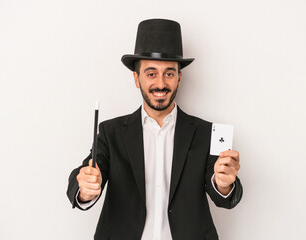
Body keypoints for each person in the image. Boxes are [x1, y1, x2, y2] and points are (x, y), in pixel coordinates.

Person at [67, 19, 243, 240]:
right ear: (136, 78)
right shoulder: (111, 133)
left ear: (179, 78)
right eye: (151, 73)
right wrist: (84, 189)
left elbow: (223, 196)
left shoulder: (206, 132)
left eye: (169, 73)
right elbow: (85, 175)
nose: (160, 83)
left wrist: (224, 184)